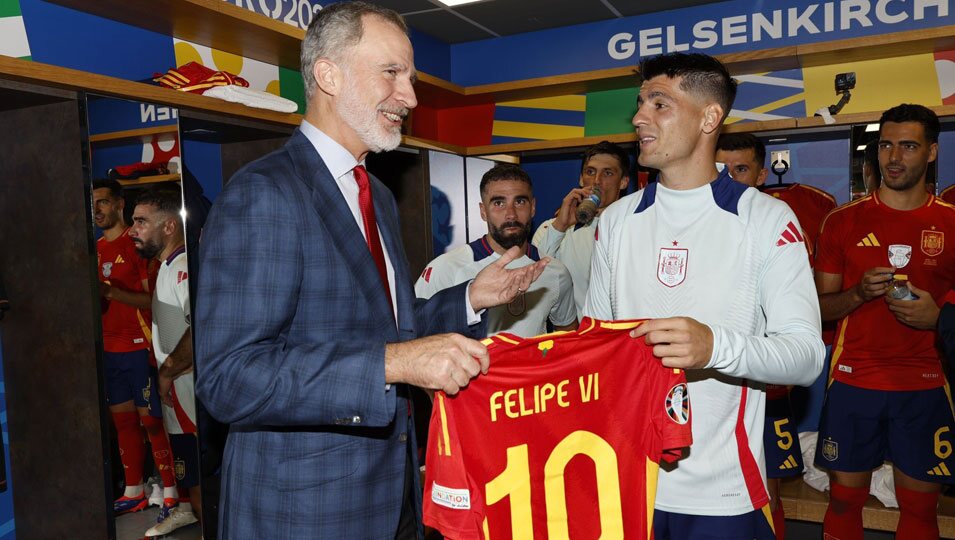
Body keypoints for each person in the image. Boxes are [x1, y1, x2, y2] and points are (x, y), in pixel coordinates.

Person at [193, 3, 546, 538]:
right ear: (327, 75)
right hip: (304, 514)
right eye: (392, 73)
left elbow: (390, 332)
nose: (410, 96)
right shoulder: (265, 193)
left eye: (410, 77)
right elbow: (229, 378)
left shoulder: (375, 194)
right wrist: (392, 364)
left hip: (393, 495)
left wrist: (471, 297)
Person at [585, 52, 825, 539]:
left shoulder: (767, 220)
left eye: (659, 104)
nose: (638, 117)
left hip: (723, 491)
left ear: (710, 117)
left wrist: (716, 347)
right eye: (639, 104)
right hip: (628, 480)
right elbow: (596, 347)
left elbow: (806, 356)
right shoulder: (615, 222)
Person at [814, 103, 955, 540]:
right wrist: (857, 295)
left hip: (927, 385)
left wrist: (938, 317)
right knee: (843, 501)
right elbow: (816, 308)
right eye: (886, 145)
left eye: (908, 146)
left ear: (931, 152)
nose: (894, 157)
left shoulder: (951, 222)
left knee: (919, 511)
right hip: (855, 381)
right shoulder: (842, 221)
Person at [717, 133, 836, 540]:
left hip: (764, 389)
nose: (730, 178)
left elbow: (796, 329)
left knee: (765, 496)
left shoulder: (778, 227)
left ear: (762, 175)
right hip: (704, 390)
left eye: (741, 169)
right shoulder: (691, 228)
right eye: (722, 169)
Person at [92, 179, 180, 518]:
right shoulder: (95, 248)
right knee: (123, 423)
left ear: (118, 205)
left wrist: (112, 292)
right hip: (109, 350)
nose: (96, 210)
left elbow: (153, 300)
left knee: (153, 424)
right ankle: (134, 490)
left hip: (140, 346)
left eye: (102, 202)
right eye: (93, 203)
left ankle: (172, 490)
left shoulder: (138, 244)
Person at [417, 163, 576, 337]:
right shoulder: (446, 268)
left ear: (533, 207)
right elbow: (413, 331)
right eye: (499, 203)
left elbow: (567, 339)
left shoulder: (555, 272)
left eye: (520, 201)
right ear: (483, 211)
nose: (511, 214)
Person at [129, 188, 202, 536]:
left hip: (186, 387)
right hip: (177, 386)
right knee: (187, 465)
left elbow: (200, 327)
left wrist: (167, 373)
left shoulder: (183, 266)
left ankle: (200, 515)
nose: (133, 230)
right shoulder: (166, 266)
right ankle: (186, 508)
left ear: (170, 226)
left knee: (197, 468)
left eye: (141, 222)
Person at [532, 141, 630, 317]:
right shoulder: (551, 228)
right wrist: (560, 226)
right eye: (590, 172)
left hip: (623, 337)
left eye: (607, 173)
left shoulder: (635, 228)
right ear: (580, 178)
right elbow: (532, 279)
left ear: (623, 182)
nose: (596, 181)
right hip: (575, 339)